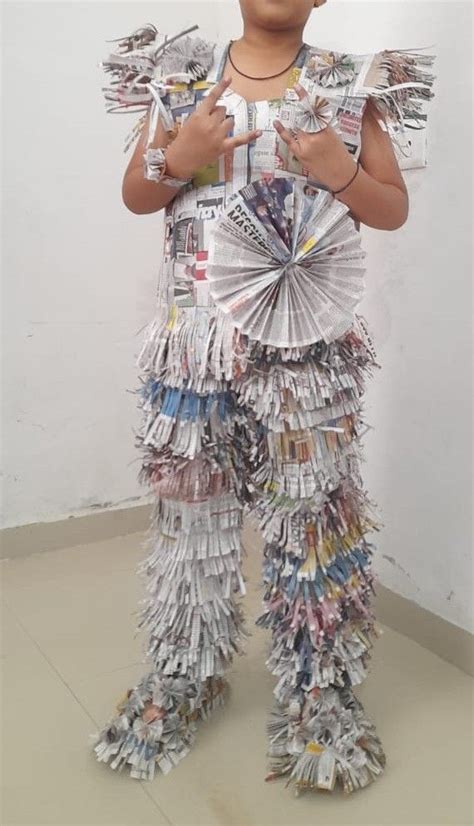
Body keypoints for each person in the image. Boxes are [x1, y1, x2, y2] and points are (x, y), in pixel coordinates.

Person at [92, 0, 436, 795]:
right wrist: (177, 157)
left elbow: (391, 208)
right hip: (193, 348)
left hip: (307, 359)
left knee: (314, 520)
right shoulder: (181, 78)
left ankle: (320, 687)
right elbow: (137, 195)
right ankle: (186, 672)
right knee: (190, 520)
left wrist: (339, 170)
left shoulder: (345, 87)